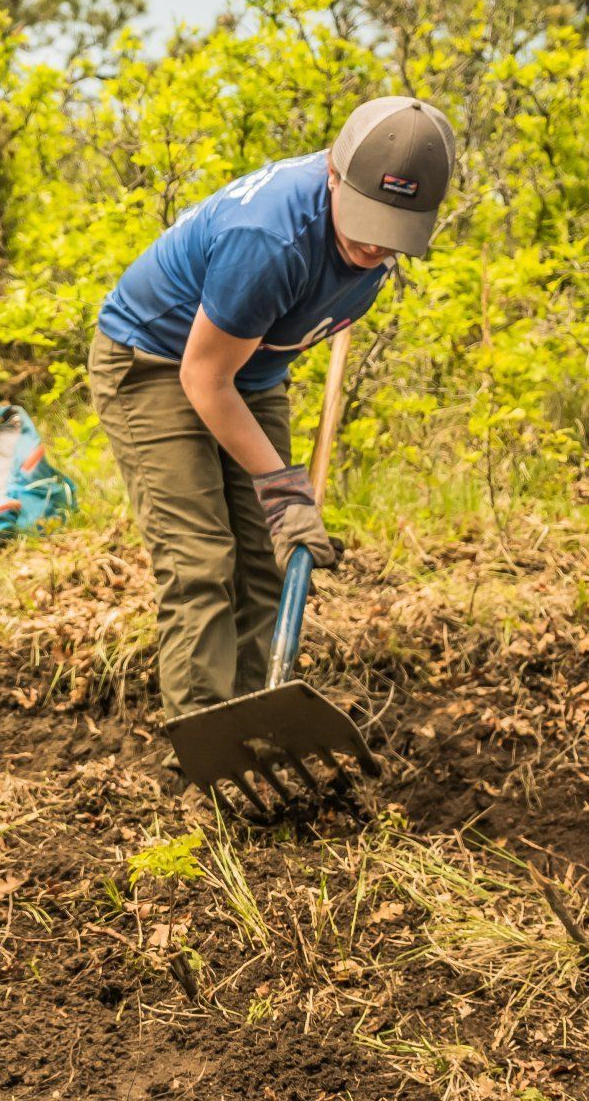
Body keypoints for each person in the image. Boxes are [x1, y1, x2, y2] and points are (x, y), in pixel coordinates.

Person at [87, 96, 456, 732]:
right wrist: (286, 492)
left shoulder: (373, 236)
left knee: (264, 558)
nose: (375, 243)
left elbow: (259, 349)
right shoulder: (268, 235)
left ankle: (254, 729)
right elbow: (203, 376)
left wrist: (278, 507)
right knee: (201, 561)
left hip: (248, 373)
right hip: (155, 364)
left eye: (394, 230)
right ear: (333, 175)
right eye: (365, 219)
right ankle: (207, 745)